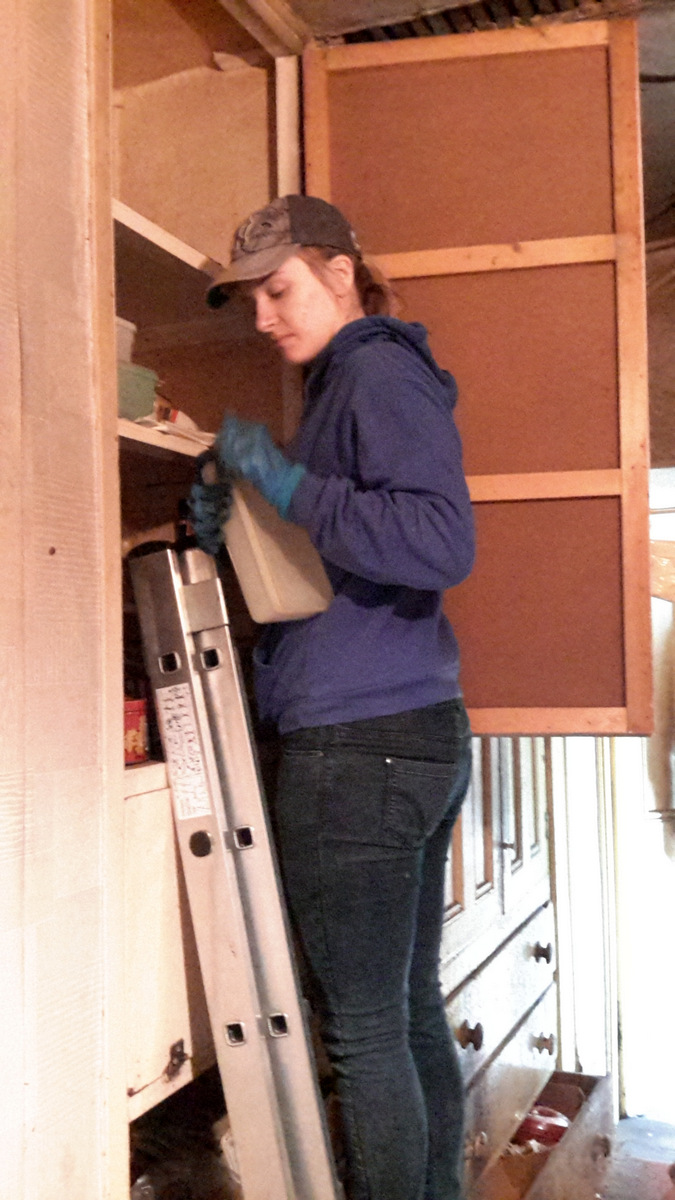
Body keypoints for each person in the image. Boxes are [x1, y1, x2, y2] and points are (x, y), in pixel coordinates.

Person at [189, 194, 475, 1200]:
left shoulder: (372, 372)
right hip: (408, 732)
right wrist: (240, 515)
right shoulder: (349, 386)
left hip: (358, 751)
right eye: (251, 302)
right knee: (404, 1014)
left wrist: (288, 483)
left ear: (340, 273)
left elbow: (439, 543)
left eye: (279, 290)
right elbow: (332, 568)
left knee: (365, 1034)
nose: (264, 318)